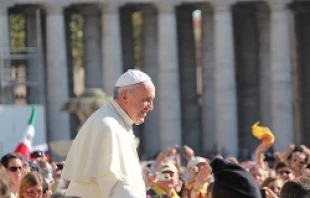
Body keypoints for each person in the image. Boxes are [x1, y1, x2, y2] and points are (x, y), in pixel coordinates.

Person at [62, 69, 155, 198]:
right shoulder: (108, 126)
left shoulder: (119, 122)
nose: (150, 106)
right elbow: (114, 185)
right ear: (124, 97)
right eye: (146, 99)